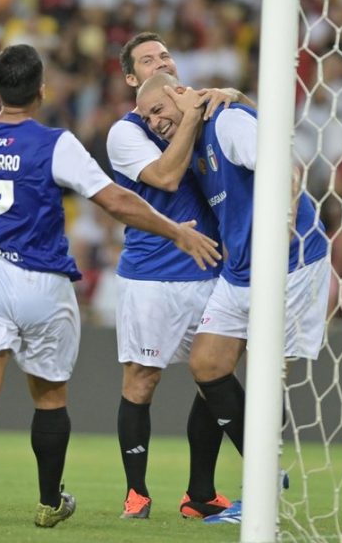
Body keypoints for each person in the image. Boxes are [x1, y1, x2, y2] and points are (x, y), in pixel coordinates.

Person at [0, 44, 221, 528]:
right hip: (43, 277)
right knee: (49, 397)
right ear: (42, 90)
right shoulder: (55, 143)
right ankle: (49, 501)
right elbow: (114, 201)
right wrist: (176, 231)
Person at [135, 72, 330, 523]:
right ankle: (267, 473)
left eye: (158, 110)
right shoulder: (192, 140)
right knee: (208, 365)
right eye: (147, 119)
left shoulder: (227, 122)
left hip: (289, 266)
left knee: (265, 377)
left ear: (180, 92)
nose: (155, 123)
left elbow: (286, 165)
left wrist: (283, 225)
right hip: (240, 271)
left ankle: (259, 494)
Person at [106, 32, 254, 520]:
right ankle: (136, 493)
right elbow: (167, 177)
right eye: (147, 60)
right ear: (132, 78)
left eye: (164, 56)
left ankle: (201, 494)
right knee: (142, 380)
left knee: (214, 378)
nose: (159, 63)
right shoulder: (127, 132)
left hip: (211, 269)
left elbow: (248, 129)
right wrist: (192, 114)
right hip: (152, 276)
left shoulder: (204, 108)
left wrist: (232, 97)